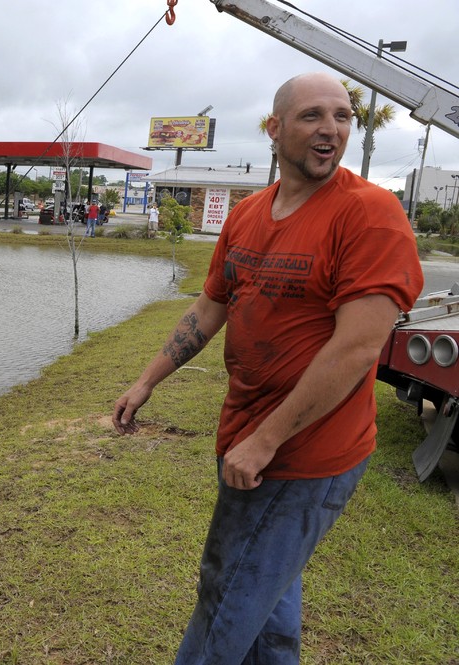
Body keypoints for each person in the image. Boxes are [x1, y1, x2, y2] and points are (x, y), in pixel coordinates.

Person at [111, 72, 423, 664]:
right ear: (275, 129)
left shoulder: (370, 214)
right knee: (266, 601)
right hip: (246, 434)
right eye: (312, 116)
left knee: (227, 599)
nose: (331, 128)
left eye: (342, 116)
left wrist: (266, 440)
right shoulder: (249, 213)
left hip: (305, 453)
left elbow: (357, 348)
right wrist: (147, 380)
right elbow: (211, 307)